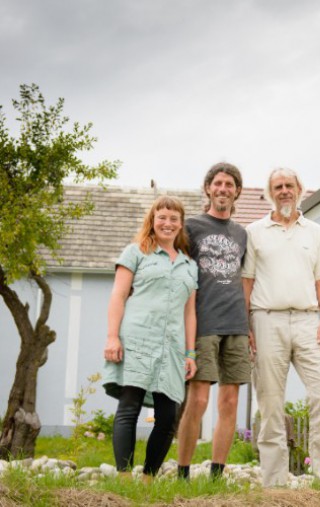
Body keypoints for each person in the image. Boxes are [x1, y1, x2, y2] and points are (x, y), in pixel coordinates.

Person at [242, 167, 320, 487]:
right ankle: (274, 484)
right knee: (270, 401)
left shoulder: (315, 232)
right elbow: (247, 282)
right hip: (266, 318)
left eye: (289, 185)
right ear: (270, 193)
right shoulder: (254, 231)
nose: (284, 190)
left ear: (300, 189)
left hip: (308, 320)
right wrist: (247, 327)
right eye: (278, 186)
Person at [103, 196, 198, 481]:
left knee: (167, 416)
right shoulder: (136, 253)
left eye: (173, 219)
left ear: (181, 224)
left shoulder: (189, 266)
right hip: (137, 339)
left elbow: (190, 313)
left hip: (171, 348)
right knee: (129, 406)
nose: (167, 223)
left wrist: (190, 353)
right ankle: (123, 477)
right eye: (162, 217)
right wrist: (112, 337)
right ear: (152, 221)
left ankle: (148, 478)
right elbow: (118, 296)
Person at [176, 162, 252, 480]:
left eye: (229, 185)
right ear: (208, 188)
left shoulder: (241, 233)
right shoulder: (191, 226)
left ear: (237, 192)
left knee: (230, 400)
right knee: (199, 398)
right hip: (203, 322)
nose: (223, 189)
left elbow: (245, 279)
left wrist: (249, 326)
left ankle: (217, 474)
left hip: (235, 323)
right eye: (218, 183)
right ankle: (183, 471)